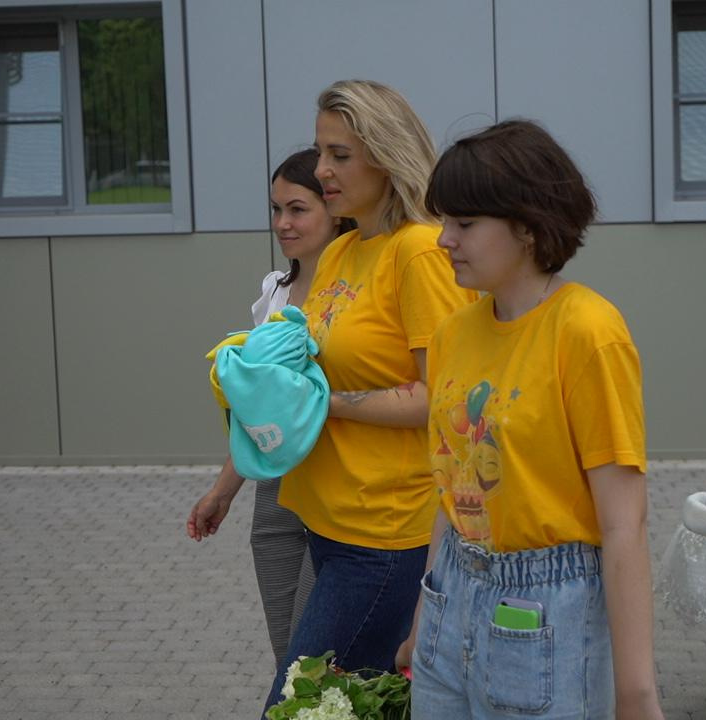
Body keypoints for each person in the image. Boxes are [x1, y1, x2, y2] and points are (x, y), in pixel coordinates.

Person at [399, 119, 664, 719]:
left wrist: (636, 693)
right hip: (448, 598)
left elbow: (624, 522)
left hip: (548, 609)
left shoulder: (588, 332)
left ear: (527, 225)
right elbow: (453, 490)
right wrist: (423, 620)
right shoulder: (452, 333)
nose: (443, 240)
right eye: (444, 221)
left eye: (465, 223)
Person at [262, 79, 477, 712]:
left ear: (386, 156)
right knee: (357, 706)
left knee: (295, 707)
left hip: (384, 536)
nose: (323, 170)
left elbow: (443, 399)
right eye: (320, 152)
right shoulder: (342, 250)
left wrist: (323, 403)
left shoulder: (419, 252)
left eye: (340, 155)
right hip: (327, 521)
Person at [186, 148, 353, 669]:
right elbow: (259, 412)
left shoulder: (358, 298)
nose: (282, 223)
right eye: (276, 209)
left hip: (341, 484)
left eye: (297, 209)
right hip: (277, 489)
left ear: (335, 211)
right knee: (289, 656)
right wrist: (221, 493)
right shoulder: (274, 293)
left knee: (315, 653)